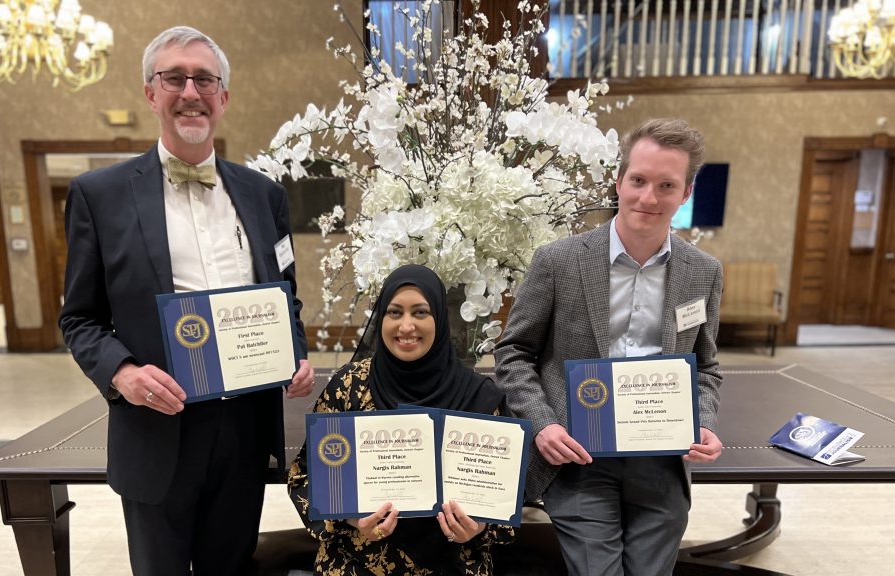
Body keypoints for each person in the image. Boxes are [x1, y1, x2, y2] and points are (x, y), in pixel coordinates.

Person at [59, 26, 314, 576]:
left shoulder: (262, 193)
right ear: (150, 93)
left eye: (204, 79)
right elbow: (79, 318)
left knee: (231, 565)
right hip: (156, 426)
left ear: (223, 96)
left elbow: (284, 291)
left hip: (245, 427)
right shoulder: (98, 196)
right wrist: (122, 373)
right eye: (173, 78)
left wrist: (294, 350)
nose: (190, 92)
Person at [494, 118, 724, 576]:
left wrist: (703, 421)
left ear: (686, 193)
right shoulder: (558, 261)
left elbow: (706, 368)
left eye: (666, 185)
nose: (648, 197)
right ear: (618, 181)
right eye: (638, 180)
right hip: (579, 455)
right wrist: (541, 425)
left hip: (660, 457)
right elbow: (512, 353)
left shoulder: (703, 272)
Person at [287, 264, 514, 575]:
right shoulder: (349, 387)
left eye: (420, 313)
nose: (406, 326)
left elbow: (507, 501)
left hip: (453, 563)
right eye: (395, 313)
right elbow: (304, 478)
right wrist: (350, 519)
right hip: (358, 561)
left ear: (440, 319)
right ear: (381, 319)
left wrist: (478, 528)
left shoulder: (478, 398)